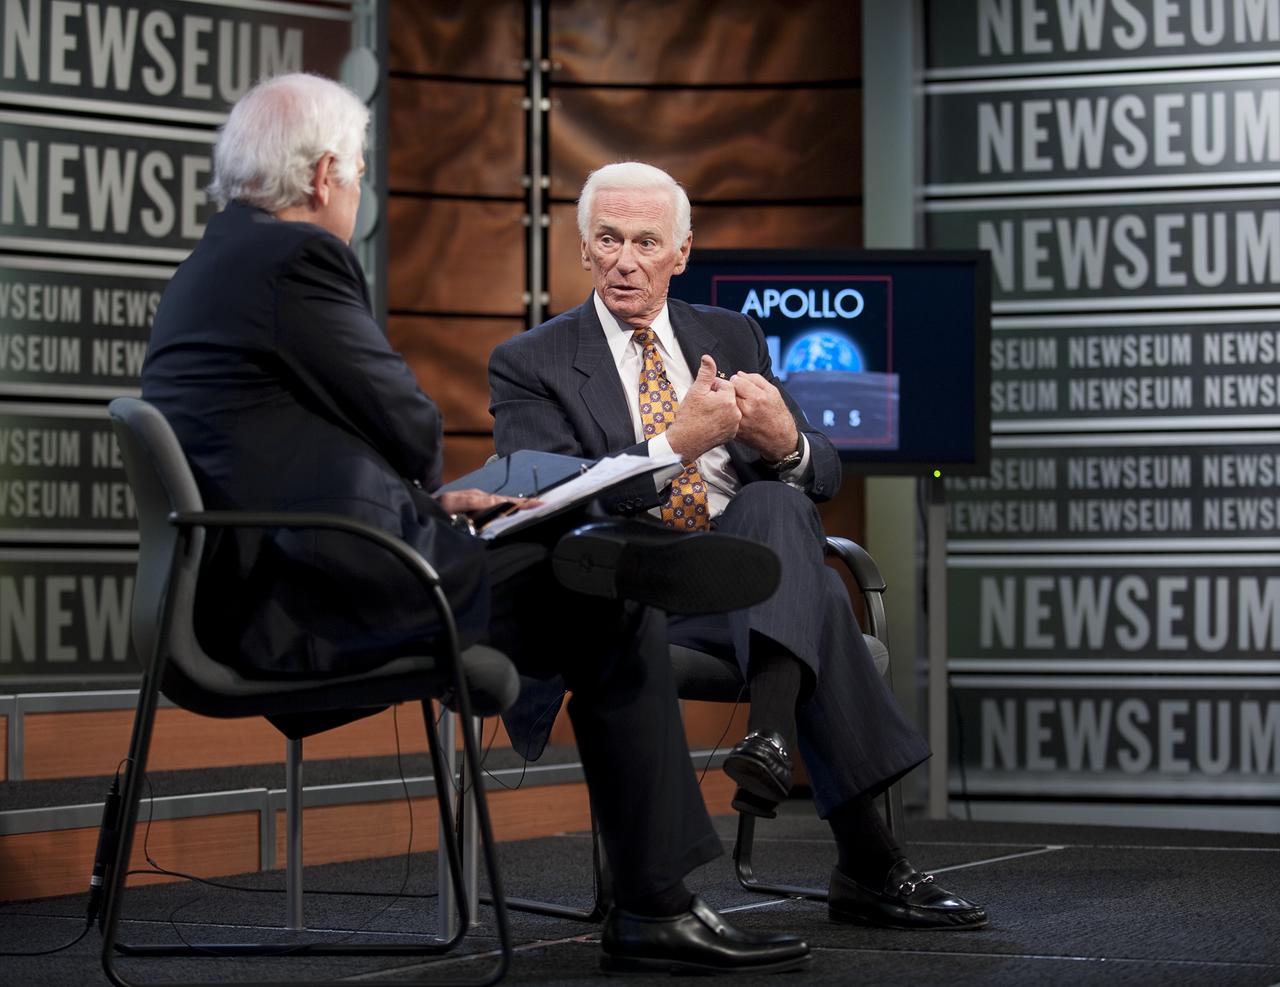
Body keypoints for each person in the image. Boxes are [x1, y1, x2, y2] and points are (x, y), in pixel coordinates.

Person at [141, 75, 812, 976]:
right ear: (325, 174)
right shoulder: (295, 260)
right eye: (364, 172)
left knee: (587, 569)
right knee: (600, 582)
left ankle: (655, 894)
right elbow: (412, 425)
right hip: (333, 594)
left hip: (299, 574)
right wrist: (423, 490)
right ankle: (656, 904)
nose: (360, 192)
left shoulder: (211, 266)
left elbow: (298, 449)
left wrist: (434, 502)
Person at [489, 161, 988, 930]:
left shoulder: (730, 333)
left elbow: (820, 471)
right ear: (584, 250)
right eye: (609, 240)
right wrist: (672, 446)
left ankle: (772, 737)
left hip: (744, 580)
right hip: (626, 593)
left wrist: (787, 441)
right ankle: (866, 858)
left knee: (773, 501)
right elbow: (550, 503)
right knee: (818, 590)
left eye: (647, 242)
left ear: (681, 253)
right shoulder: (532, 362)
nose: (626, 259)